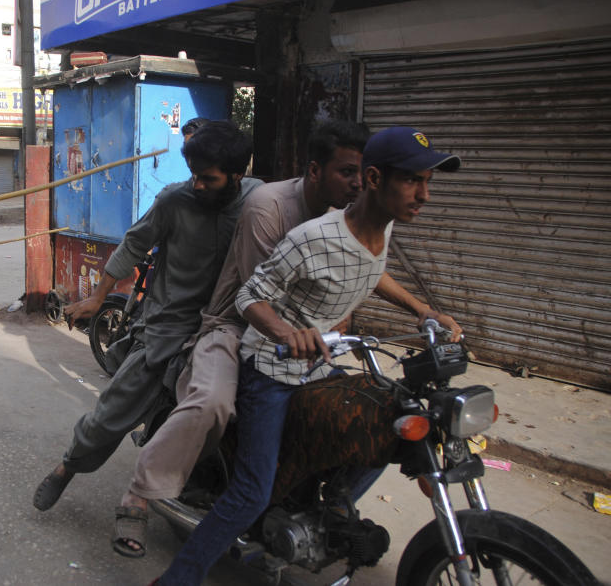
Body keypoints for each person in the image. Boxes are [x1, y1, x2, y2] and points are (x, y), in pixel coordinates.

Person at [113, 122, 462, 557]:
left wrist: (421, 310)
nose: (358, 184)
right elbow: (259, 297)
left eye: (363, 173)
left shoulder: (356, 216)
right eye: (349, 173)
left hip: (305, 340)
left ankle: (324, 500)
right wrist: (303, 332)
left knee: (370, 416)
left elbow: (363, 266)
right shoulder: (270, 207)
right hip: (236, 325)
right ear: (316, 171)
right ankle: (141, 493)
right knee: (212, 403)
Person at [32, 121, 263, 516]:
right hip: (166, 329)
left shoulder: (259, 200)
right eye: (193, 175)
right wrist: (96, 297)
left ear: (239, 175)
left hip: (228, 330)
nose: (197, 185)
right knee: (112, 414)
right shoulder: (174, 200)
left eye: (208, 178)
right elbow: (134, 244)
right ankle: (67, 465)